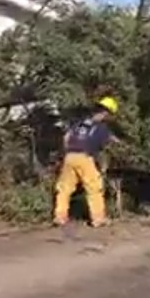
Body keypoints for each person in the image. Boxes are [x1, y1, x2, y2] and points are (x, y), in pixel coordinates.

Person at [53, 96, 121, 227]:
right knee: (94, 187)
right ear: (106, 113)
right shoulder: (101, 128)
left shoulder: (79, 123)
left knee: (64, 188)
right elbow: (108, 143)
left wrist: (68, 151)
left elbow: (66, 137)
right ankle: (98, 219)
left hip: (69, 156)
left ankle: (60, 217)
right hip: (84, 158)